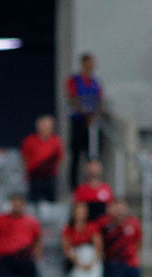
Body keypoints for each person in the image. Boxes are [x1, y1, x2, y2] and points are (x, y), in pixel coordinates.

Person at [65, 53, 103, 187]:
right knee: (75, 155)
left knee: (91, 155)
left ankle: (91, 184)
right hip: (78, 122)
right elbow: (72, 98)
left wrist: (94, 115)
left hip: (91, 123)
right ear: (83, 63)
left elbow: (99, 101)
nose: (92, 65)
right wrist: (85, 114)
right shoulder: (74, 80)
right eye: (89, 63)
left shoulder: (95, 83)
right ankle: (74, 187)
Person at [0, 193, 41, 277]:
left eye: (19, 203)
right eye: (14, 202)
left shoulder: (31, 221)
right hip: (5, 259)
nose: (17, 205)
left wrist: (37, 253)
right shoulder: (0, 219)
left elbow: (37, 239)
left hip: (25, 258)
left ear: (23, 205)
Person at [21, 116, 63, 203]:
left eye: (48, 126)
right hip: (34, 177)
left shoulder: (56, 141)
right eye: (43, 125)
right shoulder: (30, 140)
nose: (46, 128)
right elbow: (24, 157)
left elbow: (59, 157)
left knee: (52, 202)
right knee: (33, 202)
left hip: (50, 177)